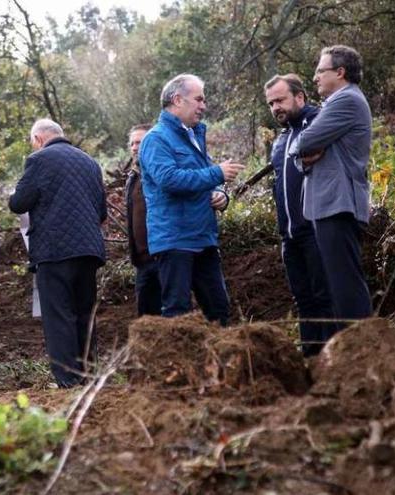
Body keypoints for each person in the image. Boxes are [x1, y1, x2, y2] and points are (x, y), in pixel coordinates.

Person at [140, 74, 244, 326]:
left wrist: (221, 193)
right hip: (174, 241)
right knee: (178, 313)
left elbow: (204, 178)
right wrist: (217, 173)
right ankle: (177, 366)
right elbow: (169, 180)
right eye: (198, 99)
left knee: (219, 309)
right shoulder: (156, 139)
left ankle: (220, 364)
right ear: (177, 100)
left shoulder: (193, 136)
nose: (203, 106)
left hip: (203, 237)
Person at [9, 119, 106, 388]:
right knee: (85, 312)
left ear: (39, 139)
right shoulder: (89, 162)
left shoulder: (39, 160)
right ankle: (88, 374)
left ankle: (67, 378)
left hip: (54, 251)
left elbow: (19, 203)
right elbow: (102, 211)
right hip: (88, 250)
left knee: (59, 313)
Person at [288, 45, 373, 330]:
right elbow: (302, 156)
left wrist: (302, 151)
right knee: (337, 284)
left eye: (320, 71)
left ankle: (360, 348)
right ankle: (347, 352)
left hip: (339, 204)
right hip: (330, 205)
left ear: (340, 72)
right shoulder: (337, 103)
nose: (315, 77)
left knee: (345, 284)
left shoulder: (345, 100)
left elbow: (304, 142)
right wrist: (303, 155)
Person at [264, 74, 336, 357]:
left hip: (316, 229)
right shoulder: (281, 141)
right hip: (289, 236)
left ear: (300, 97)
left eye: (280, 100)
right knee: (303, 300)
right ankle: (310, 359)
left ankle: (332, 362)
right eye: (271, 103)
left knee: (324, 297)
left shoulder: (319, 124)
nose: (275, 108)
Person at [124, 124, 162, 317]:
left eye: (139, 142)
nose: (134, 147)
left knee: (170, 315)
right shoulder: (132, 178)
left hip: (163, 257)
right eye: (132, 143)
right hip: (142, 262)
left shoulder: (161, 173)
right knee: (145, 319)